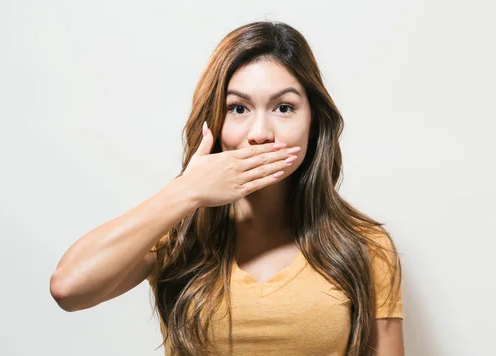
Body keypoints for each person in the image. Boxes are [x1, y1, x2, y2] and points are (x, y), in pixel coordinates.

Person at [50, 21, 404, 356]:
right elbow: (68, 289)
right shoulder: (176, 236)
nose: (260, 133)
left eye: (284, 108)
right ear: (214, 123)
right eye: (238, 108)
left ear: (313, 122)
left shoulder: (363, 244)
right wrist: (187, 191)